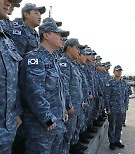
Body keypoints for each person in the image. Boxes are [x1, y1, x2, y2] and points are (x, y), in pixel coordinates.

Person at [18, 21, 68, 153]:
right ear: (46, 35)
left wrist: (63, 111)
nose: (62, 38)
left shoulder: (54, 60)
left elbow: (58, 90)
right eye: (58, 34)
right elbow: (34, 92)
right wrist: (47, 117)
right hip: (41, 127)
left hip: (56, 123)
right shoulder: (35, 59)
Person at [0, 0, 22, 153]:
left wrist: (15, 112)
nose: (9, 3)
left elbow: (13, 81)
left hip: (6, 128)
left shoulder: (6, 40)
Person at [59, 38, 85, 154]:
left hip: (75, 105)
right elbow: (63, 87)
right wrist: (69, 105)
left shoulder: (72, 64)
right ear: (69, 48)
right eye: (77, 48)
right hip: (69, 108)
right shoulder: (63, 63)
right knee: (65, 137)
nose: (79, 51)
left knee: (70, 134)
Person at [105, 65, 126, 150]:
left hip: (121, 108)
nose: (119, 72)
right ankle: (112, 142)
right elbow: (107, 96)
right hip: (113, 109)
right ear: (113, 72)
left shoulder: (123, 83)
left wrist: (124, 107)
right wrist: (108, 108)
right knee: (112, 126)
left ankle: (117, 141)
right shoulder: (110, 83)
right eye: (117, 71)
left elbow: (124, 96)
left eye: (120, 71)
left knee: (119, 126)